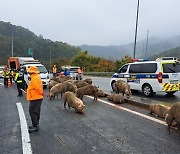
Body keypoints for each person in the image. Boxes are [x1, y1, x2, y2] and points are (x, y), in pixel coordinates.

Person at [26, 66, 44, 133]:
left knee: (32, 111)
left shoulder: (34, 79)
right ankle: (35, 124)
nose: (28, 72)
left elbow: (38, 88)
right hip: (37, 97)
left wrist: (40, 93)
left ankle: (35, 126)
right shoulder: (36, 77)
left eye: (29, 71)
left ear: (31, 72)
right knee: (36, 111)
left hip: (35, 97)